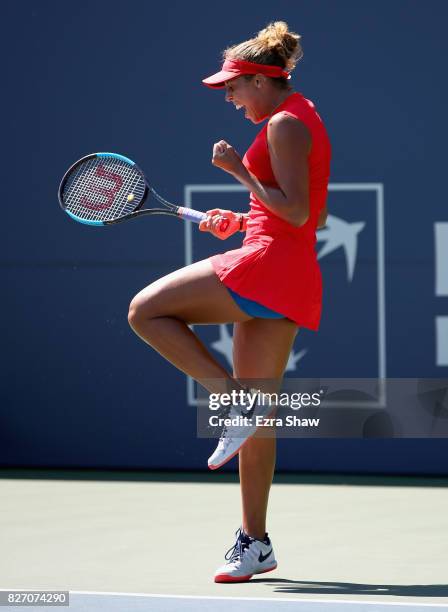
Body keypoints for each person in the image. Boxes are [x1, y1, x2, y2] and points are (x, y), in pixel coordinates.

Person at [128, 21, 331, 583]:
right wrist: (240, 219)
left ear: (262, 81)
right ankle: (255, 542)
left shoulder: (286, 124)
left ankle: (229, 400)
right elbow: (298, 214)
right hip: (287, 271)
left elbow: (294, 213)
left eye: (233, 87)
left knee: (145, 310)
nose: (230, 98)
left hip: (268, 265)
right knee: (260, 419)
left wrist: (237, 171)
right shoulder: (299, 117)